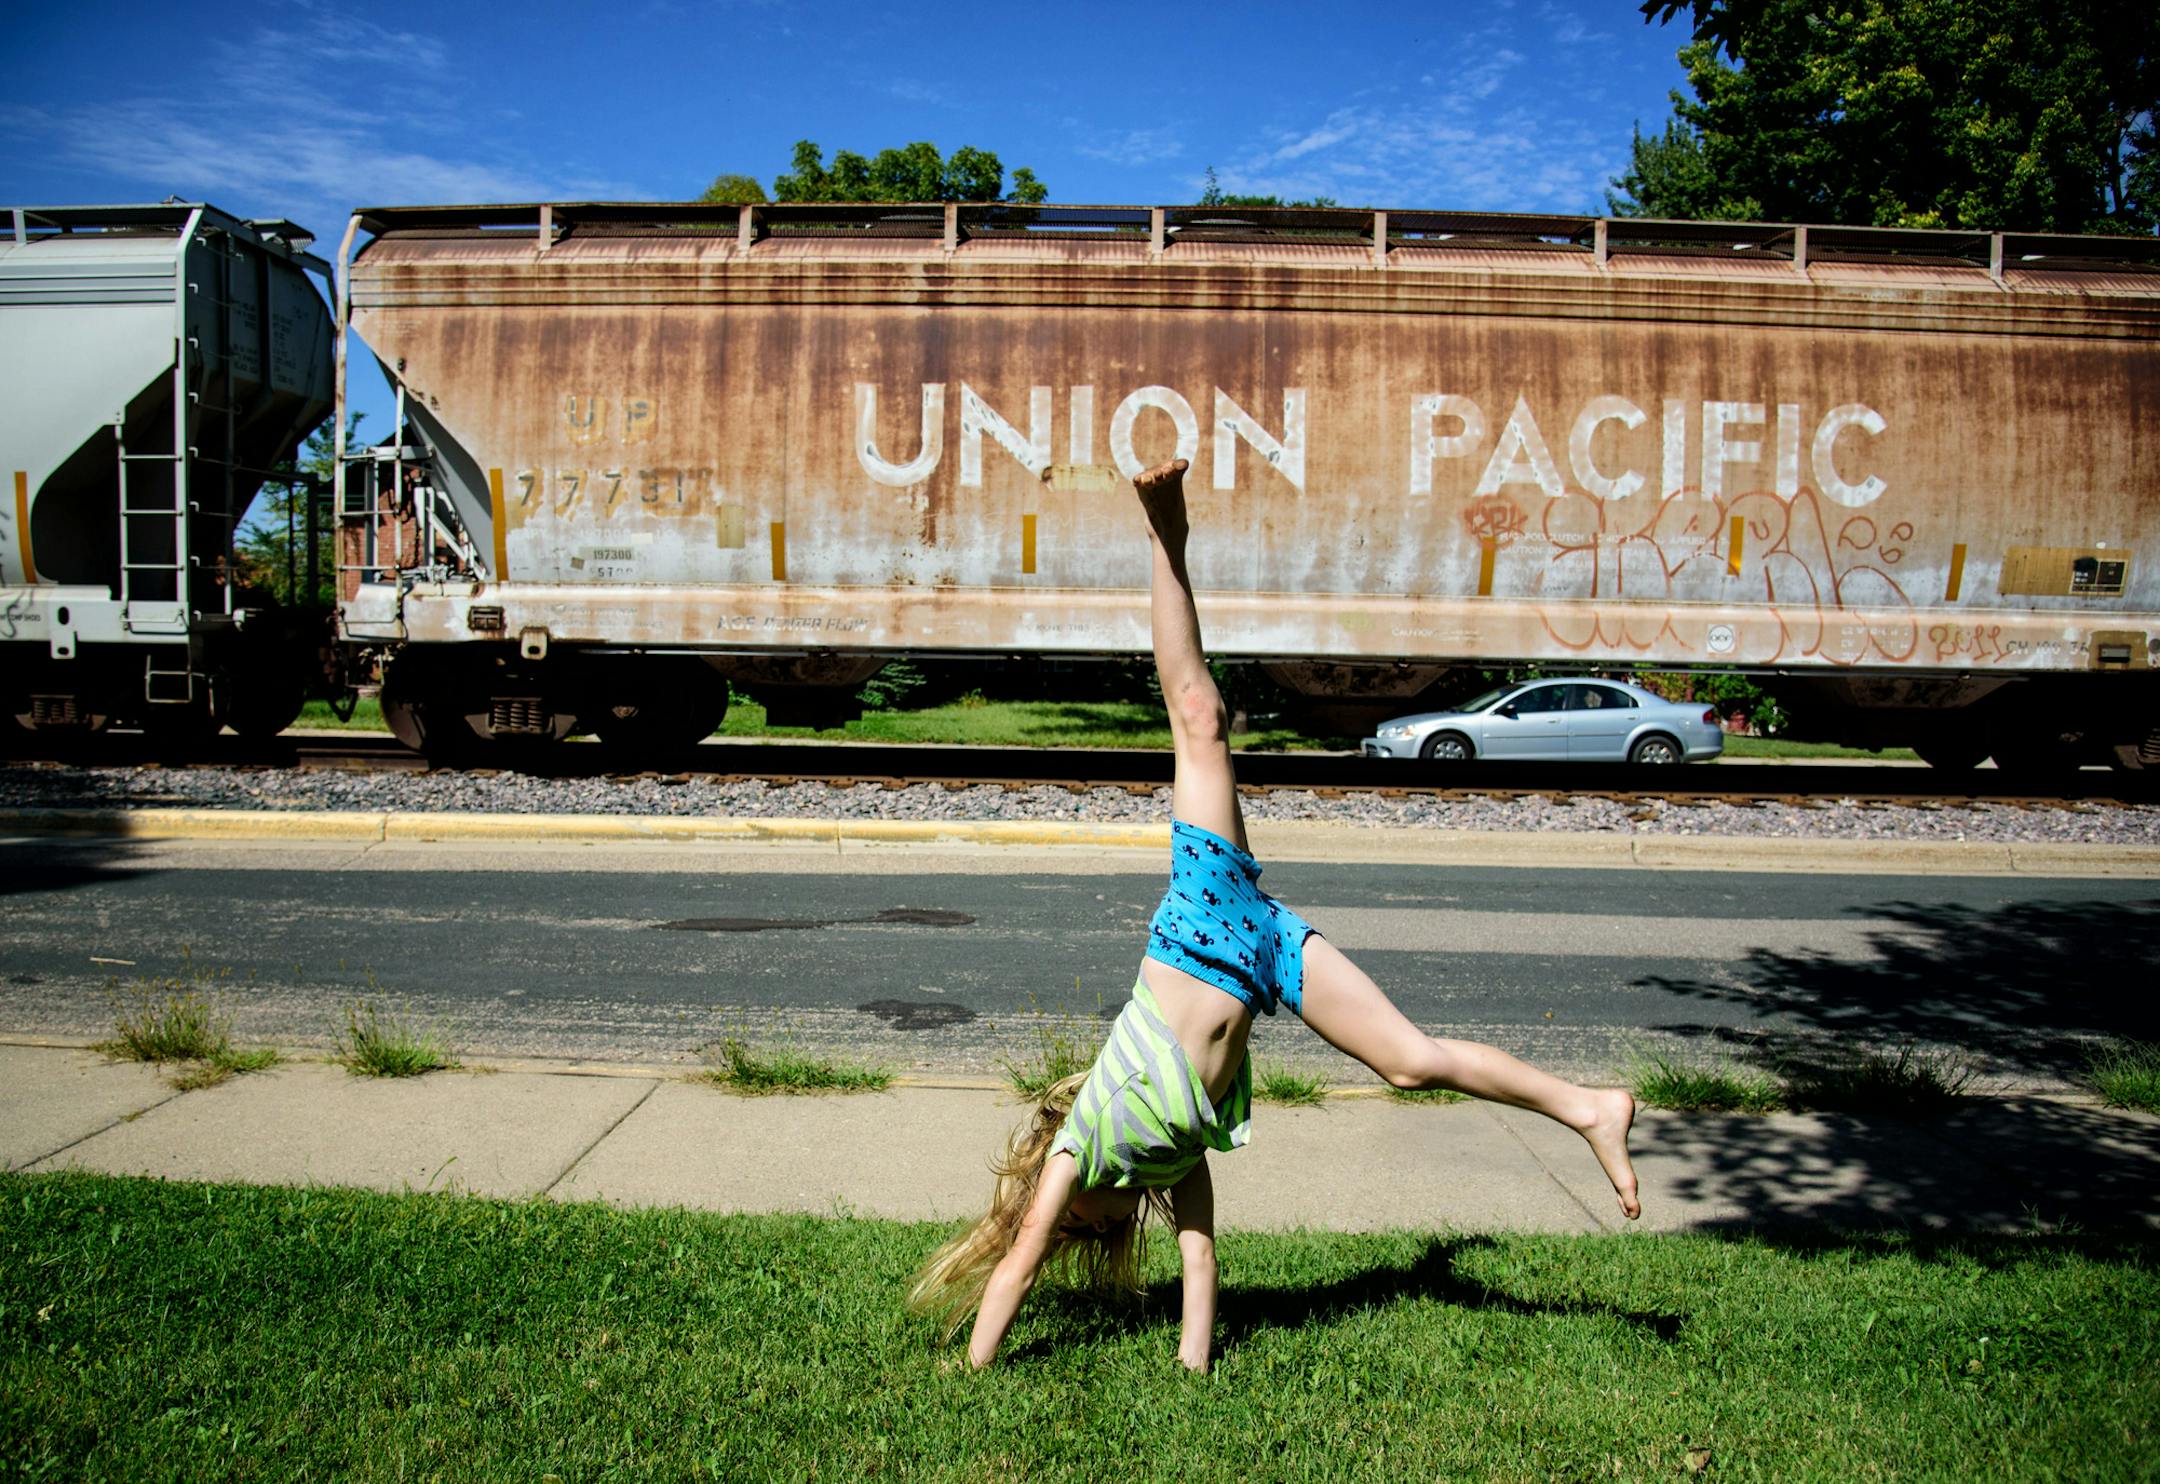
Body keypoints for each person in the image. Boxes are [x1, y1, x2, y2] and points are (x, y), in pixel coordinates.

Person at [907, 458, 1640, 1371]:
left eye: (1077, 1232)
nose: (1088, 1231)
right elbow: (1201, 1261)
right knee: (1412, 1065)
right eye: (1092, 1241)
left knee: (1197, 718)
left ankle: (1162, 531)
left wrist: (972, 1369)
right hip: (1264, 954)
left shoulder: (1084, 1141)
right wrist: (1193, 1365)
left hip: (1205, 919)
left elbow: (1015, 1263)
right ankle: (1592, 1109)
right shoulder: (1167, 1163)